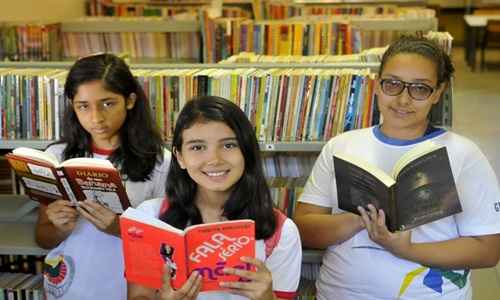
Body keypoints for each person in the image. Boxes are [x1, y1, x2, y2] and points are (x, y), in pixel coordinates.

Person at [293, 36, 500, 299]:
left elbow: (488, 250)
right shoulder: (341, 146)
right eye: (392, 84)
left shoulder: (464, 154)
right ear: (377, 85)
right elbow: (305, 230)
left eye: (420, 88)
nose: (403, 100)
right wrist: (363, 219)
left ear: (437, 92)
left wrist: (406, 249)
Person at [128, 95, 302, 300]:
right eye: (197, 147)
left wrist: (267, 298)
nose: (214, 159)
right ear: (179, 157)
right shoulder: (148, 218)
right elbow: (138, 296)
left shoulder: (281, 232)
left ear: (247, 151)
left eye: (228, 145)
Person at [35, 53, 171, 299]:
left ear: (130, 100)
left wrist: (120, 228)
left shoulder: (160, 162)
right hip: (69, 285)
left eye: (108, 103)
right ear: (72, 105)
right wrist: (59, 227)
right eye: (83, 106)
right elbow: (43, 238)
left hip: (128, 288)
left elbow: (168, 247)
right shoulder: (55, 156)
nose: (96, 117)